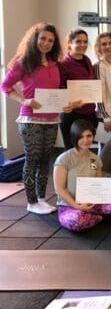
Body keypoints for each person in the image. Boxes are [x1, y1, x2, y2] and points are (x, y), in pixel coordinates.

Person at [1, 22, 74, 214]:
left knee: (44, 159)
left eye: (50, 40)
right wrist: (24, 100)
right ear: (35, 39)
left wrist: (64, 104)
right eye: (43, 38)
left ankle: (41, 199)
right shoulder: (24, 62)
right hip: (30, 119)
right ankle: (31, 202)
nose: (46, 43)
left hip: (52, 119)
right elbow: (5, 86)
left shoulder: (55, 64)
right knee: (32, 159)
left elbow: (55, 93)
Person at [54, 119, 111, 231]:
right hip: (70, 206)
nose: (85, 140)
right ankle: (97, 218)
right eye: (81, 137)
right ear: (74, 137)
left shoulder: (95, 159)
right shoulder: (64, 159)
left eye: (89, 136)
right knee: (76, 221)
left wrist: (109, 193)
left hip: (92, 203)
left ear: (93, 136)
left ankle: (91, 216)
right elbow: (59, 189)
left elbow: (97, 184)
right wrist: (77, 206)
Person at [59, 28, 98, 149]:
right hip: (72, 114)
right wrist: (70, 103)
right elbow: (58, 89)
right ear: (69, 43)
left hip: (89, 112)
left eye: (85, 42)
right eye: (78, 41)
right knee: (72, 151)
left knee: (86, 149)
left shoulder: (87, 60)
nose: (83, 45)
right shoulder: (63, 64)